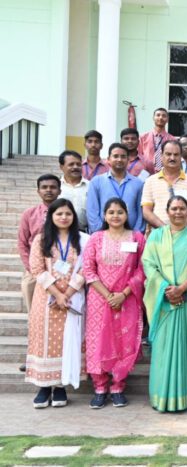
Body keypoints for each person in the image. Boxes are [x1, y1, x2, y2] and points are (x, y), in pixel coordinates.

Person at [142, 196, 187, 412]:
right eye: (174, 208)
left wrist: (182, 288)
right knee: (163, 348)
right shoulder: (156, 237)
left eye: (183, 209)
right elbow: (148, 265)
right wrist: (166, 288)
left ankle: (186, 396)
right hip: (164, 300)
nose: (178, 212)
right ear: (167, 210)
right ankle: (161, 397)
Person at [25, 199, 89, 408]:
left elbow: (85, 268)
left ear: (73, 217)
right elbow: (37, 269)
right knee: (44, 341)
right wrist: (57, 295)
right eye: (59, 214)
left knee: (65, 342)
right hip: (46, 300)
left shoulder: (81, 239)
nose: (64, 217)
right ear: (51, 216)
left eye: (68, 214)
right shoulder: (41, 239)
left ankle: (61, 386)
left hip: (72, 298)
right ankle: (43, 387)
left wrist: (68, 293)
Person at [83, 198, 145, 409]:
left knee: (123, 342)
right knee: (98, 341)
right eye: (111, 212)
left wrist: (123, 294)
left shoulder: (136, 237)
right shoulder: (96, 238)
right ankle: (100, 387)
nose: (115, 216)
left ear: (127, 214)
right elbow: (88, 270)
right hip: (99, 300)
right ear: (104, 215)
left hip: (127, 300)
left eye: (120, 212)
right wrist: (108, 295)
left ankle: (118, 386)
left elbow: (141, 269)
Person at [18, 175, 61, 315]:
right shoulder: (29, 214)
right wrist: (32, 269)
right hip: (33, 268)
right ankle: (34, 333)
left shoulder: (66, 213)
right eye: (44, 187)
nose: (49, 190)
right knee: (33, 308)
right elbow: (22, 243)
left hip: (59, 267)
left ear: (59, 191)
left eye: (53, 187)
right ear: (38, 191)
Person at [141, 140, 187, 229]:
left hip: (185, 235)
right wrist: (165, 230)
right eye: (168, 154)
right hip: (159, 234)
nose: (172, 158)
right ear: (161, 156)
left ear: (181, 157)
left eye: (176, 155)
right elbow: (146, 211)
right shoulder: (150, 181)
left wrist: (181, 229)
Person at [87, 143, 145, 234]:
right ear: (108, 159)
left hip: (131, 237)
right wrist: (101, 233)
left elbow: (140, 213)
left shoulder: (138, 183)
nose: (119, 159)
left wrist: (136, 234)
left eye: (123, 156)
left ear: (128, 160)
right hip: (103, 236)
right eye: (115, 156)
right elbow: (92, 211)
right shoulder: (96, 182)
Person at [58, 150, 90, 232]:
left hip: (83, 232)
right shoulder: (56, 186)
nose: (75, 167)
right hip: (59, 232)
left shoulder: (90, 186)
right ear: (61, 167)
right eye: (71, 164)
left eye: (78, 164)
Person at [138, 108, 175, 172]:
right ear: (153, 118)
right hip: (146, 172)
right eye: (158, 115)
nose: (160, 118)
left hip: (165, 172)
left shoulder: (172, 140)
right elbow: (138, 156)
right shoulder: (143, 137)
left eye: (164, 116)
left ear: (167, 119)